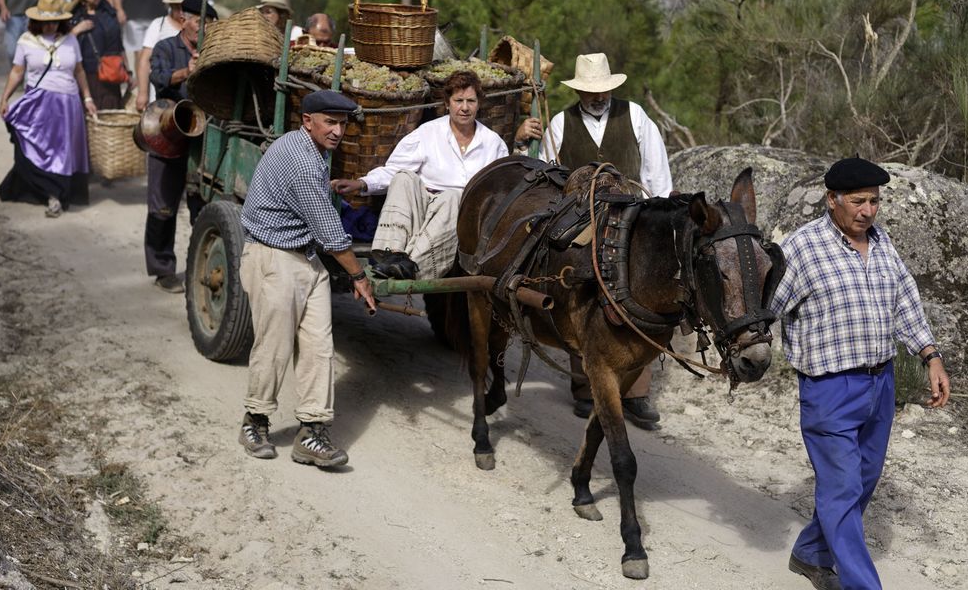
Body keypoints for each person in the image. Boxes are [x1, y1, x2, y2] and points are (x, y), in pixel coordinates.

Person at [770, 157, 950, 590]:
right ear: (832, 200)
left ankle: (811, 554)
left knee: (864, 480)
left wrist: (930, 355)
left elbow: (904, 297)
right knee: (843, 489)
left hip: (880, 384)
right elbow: (765, 309)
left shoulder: (882, 241)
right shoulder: (801, 248)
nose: (868, 211)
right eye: (858, 201)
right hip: (829, 389)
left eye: (874, 201)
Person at [522, 52, 672, 428]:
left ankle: (636, 394)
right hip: (582, 222)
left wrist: (659, 221)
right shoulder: (560, 123)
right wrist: (525, 141)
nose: (598, 97)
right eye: (590, 91)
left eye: (602, 90)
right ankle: (586, 389)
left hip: (634, 216)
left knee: (644, 295)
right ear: (579, 92)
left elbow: (658, 173)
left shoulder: (635, 116)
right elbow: (548, 175)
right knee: (579, 291)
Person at [238, 89, 377, 468]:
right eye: (330, 122)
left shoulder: (312, 151)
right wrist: (359, 276)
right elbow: (331, 232)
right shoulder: (301, 161)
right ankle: (256, 421)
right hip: (273, 258)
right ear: (307, 122)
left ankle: (311, 433)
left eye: (342, 123)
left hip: (306, 258)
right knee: (274, 346)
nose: (337, 131)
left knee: (318, 347)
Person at [332, 70, 507, 280]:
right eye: (458, 100)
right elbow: (394, 170)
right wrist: (361, 184)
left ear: (479, 104)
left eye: (471, 101)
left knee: (453, 197)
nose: (465, 107)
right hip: (424, 207)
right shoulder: (428, 132)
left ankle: (413, 265)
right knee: (404, 177)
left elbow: (499, 189)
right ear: (447, 103)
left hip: (463, 215)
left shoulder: (492, 142)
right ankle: (392, 255)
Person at [0, 0, 94, 218]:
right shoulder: (26, 41)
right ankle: (50, 193)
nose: (51, 25)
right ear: (37, 21)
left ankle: (58, 193)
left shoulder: (70, 40)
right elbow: (17, 72)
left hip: (68, 104)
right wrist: (5, 98)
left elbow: (79, 71)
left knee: (63, 151)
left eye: (55, 21)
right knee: (32, 148)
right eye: (46, 22)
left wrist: (87, 98)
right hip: (38, 105)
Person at [144, 0, 216, 293]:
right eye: (199, 21)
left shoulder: (213, 50)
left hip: (203, 138)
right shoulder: (165, 47)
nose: (203, 27)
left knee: (203, 206)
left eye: (208, 22)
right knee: (162, 206)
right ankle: (163, 270)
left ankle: (201, 267)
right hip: (169, 134)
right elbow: (158, 79)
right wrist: (187, 71)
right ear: (183, 20)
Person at [69, 0, 127, 109]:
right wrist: (76, 30)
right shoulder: (74, 17)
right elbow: (62, 44)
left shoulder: (109, 14)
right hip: (87, 76)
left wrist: (128, 71)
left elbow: (119, 46)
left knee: (111, 115)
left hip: (110, 74)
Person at [133, 0, 188, 112]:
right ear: (170, 6)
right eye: (176, 6)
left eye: (183, 7)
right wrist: (142, 92)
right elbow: (144, 60)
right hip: (162, 93)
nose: (180, 11)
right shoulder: (159, 25)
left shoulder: (195, 28)